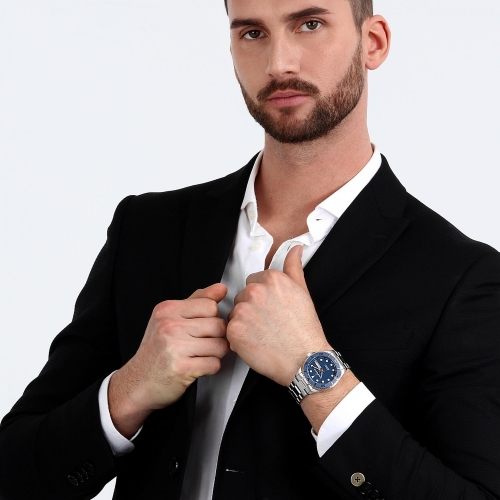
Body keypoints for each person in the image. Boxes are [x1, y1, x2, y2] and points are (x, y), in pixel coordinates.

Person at [1, 0, 499, 499]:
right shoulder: (147, 230)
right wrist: (128, 392)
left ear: (373, 42)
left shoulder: (462, 278)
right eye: (252, 33)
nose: (279, 63)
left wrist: (315, 373)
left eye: (309, 24)